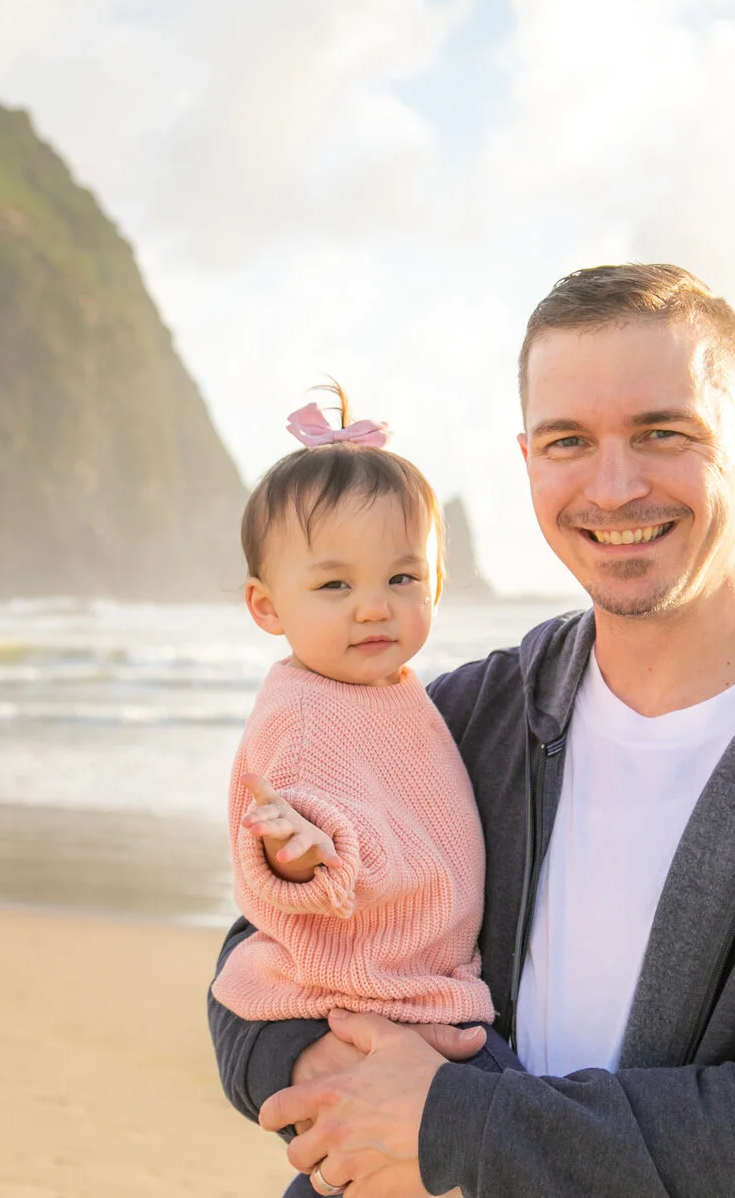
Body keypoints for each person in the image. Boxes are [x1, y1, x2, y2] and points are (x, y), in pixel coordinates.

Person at [207, 264, 735, 1197]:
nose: (612, 488)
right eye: (570, 440)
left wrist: (453, 1123)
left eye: (663, 432)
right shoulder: (464, 715)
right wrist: (323, 1077)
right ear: (527, 459)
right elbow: (267, 954)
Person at [213, 389, 522, 1197]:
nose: (374, 605)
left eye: (401, 575)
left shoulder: (396, 692)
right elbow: (287, 826)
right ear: (265, 605)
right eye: (334, 586)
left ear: (438, 581)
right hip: (365, 1002)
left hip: (417, 996)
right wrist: (300, 849)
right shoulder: (304, 710)